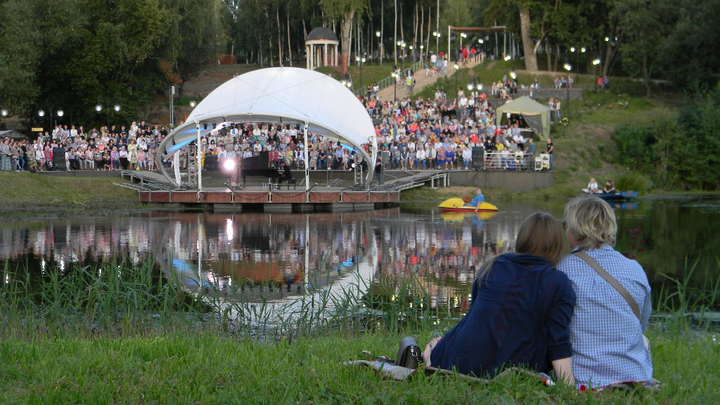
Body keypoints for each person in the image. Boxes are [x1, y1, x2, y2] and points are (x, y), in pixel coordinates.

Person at [423, 212, 576, 383]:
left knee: (435, 344)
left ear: (522, 239)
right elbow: (558, 342)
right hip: (514, 367)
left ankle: (430, 356)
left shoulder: (493, 265)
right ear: (557, 246)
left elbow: (476, 318)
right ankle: (430, 355)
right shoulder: (558, 282)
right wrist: (569, 385)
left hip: (462, 359)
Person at [558, 196, 654, 389]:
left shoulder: (561, 269)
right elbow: (642, 324)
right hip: (636, 377)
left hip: (586, 380)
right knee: (643, 340)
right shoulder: (634, 268)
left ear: (573, 230)